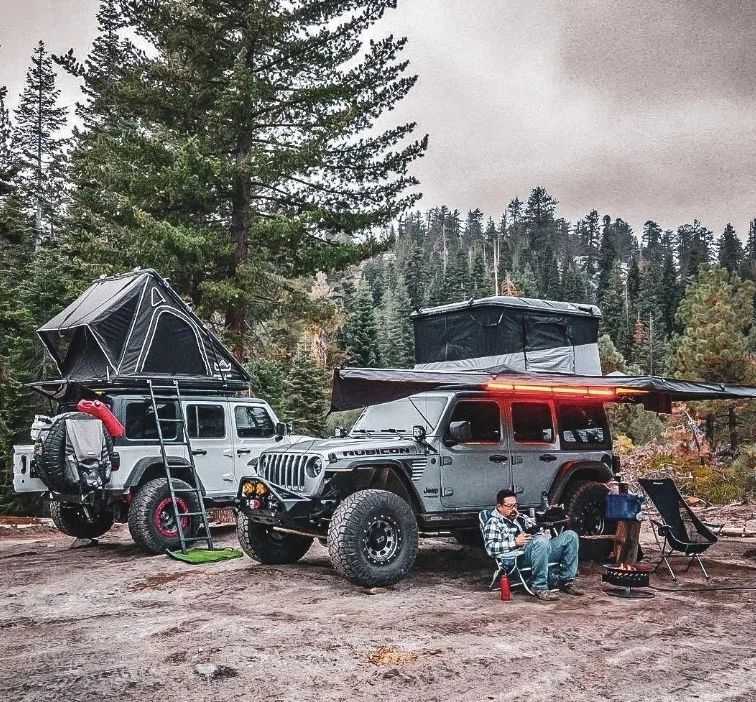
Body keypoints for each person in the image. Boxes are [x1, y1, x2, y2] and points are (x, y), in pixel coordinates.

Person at [482, 488, 584, 601]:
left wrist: (540, 531)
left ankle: (566, 581)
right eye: (509, 506)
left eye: (515, 505)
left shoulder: (521, 517)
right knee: (540, 541)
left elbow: (541, 535)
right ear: (499, 506)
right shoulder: (494, 522)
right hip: (518, 557)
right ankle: (539, 586)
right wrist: (515, 542)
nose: (513, 509)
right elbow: (490, 548)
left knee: (571, 536)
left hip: (539, 551)